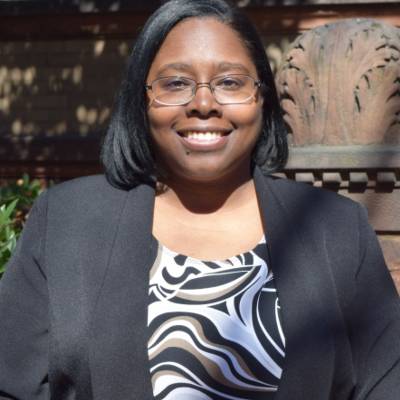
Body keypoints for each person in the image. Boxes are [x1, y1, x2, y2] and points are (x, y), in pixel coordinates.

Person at [0, 0, 399, 399]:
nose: (203, 104)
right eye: (175, 83)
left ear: (261, 98)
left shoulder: (336, 230)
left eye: (230, 82)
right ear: (142, 100)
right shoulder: (68, 222)